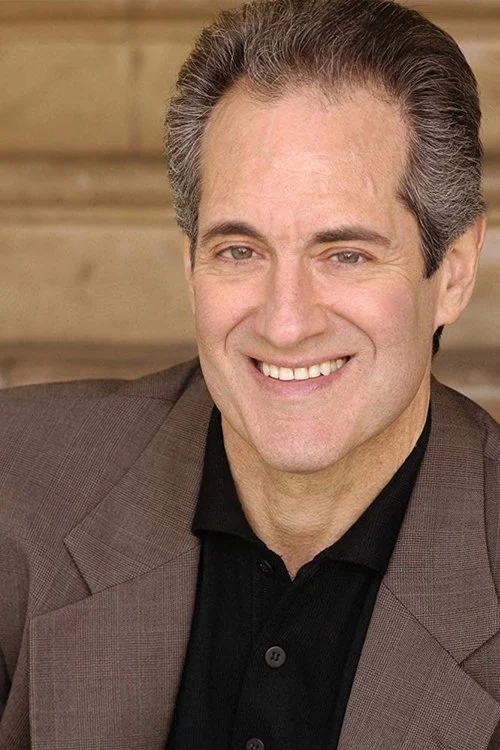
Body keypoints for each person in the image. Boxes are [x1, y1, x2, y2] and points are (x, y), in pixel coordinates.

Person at [1, 0, 499, 748]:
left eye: (346, 255)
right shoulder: (16, 485)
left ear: (453, 272)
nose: (286, 323)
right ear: (191, 265)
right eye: (240, 251)